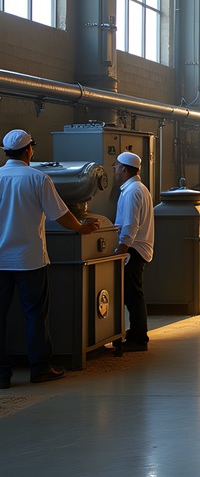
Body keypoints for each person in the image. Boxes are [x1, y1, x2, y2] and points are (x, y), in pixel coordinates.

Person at [0, 128, 100, 387]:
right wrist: (81, 227)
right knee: (34, 314)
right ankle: (40, 368)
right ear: (29, 150)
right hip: (29, 260)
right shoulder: (37, 178)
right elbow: (60, 213)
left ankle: (1, 374)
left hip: (0, 261)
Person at [112, 151, 154, 353]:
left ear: (124, 169)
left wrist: (120, 251)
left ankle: (139, 338)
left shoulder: (132, 191)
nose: (114, 170)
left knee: (133, 294)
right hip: (136, 248)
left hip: (132, 250)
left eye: (116, 167)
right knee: (133, 293)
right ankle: (136, 332)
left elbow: (130, 226)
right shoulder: (138, 188)